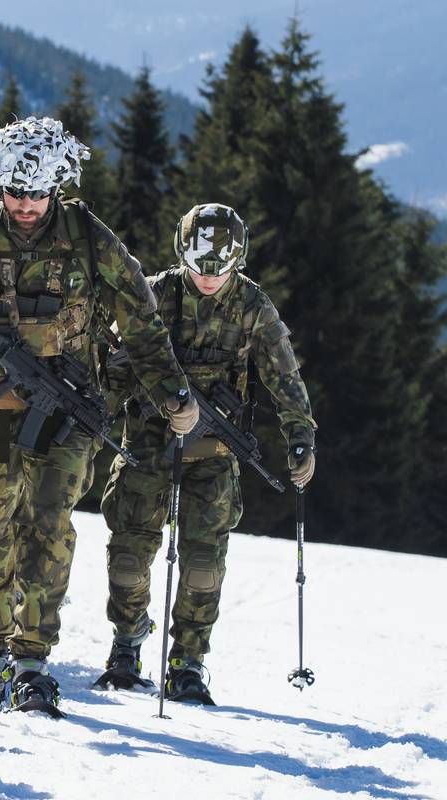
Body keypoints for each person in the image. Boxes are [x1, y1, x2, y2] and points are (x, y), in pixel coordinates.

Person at [0, 116, 195, 713]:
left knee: (48, 527)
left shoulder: (86, 235)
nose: (24, 204)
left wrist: (173, 395)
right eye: (13, 191)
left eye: (36, 192)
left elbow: (141, 321)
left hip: (68, 413)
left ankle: (32, 660)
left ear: (57, 186)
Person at [99, 202, 317, 704]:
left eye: (220, 266)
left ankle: (188, 662)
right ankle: (127, 643)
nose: (210, 276)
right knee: (130, 555)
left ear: (237, 259)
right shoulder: (153, 295)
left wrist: (300, 436)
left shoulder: (253, 306)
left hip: (214, 452)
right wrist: (94, 419)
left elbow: (284, 377)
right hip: (147, 444)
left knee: (202, 563)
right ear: (183, 254)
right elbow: (111, 366)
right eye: (200, 264)